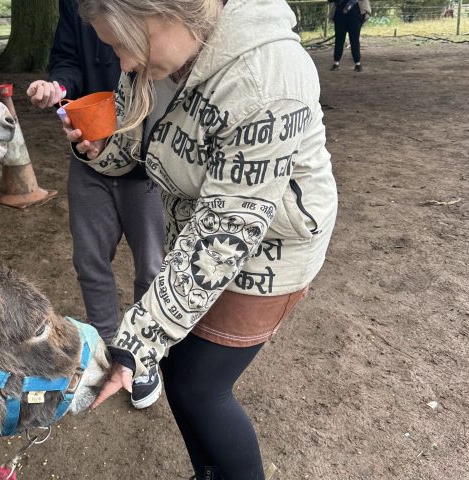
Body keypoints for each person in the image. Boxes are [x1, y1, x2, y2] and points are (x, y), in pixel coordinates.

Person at [67, 0, 338, 479]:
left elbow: (224, 236)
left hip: (269, 247)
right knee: (179, 371)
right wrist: (96, 147)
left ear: (169, 10)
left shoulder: (265, 77)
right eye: (112, 48)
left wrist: (135, 342)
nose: (123, 64)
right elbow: (133, 149)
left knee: (198, 384)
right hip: (197, 232)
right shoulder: (155, 57)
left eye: (123, 45)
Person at [26, 0, 166, 409]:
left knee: (152, 265)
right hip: (89, 150)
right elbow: (67, 60)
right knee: (90, 259)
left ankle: (143, 353)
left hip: (147, 159)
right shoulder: (74, 4)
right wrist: (59, 89)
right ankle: (108, 348)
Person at [329, 0, 372, 72]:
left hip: (355, 14)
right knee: (339, 39)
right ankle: (336, 63)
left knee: (354, 40)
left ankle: (357, 63)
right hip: (340, 13)